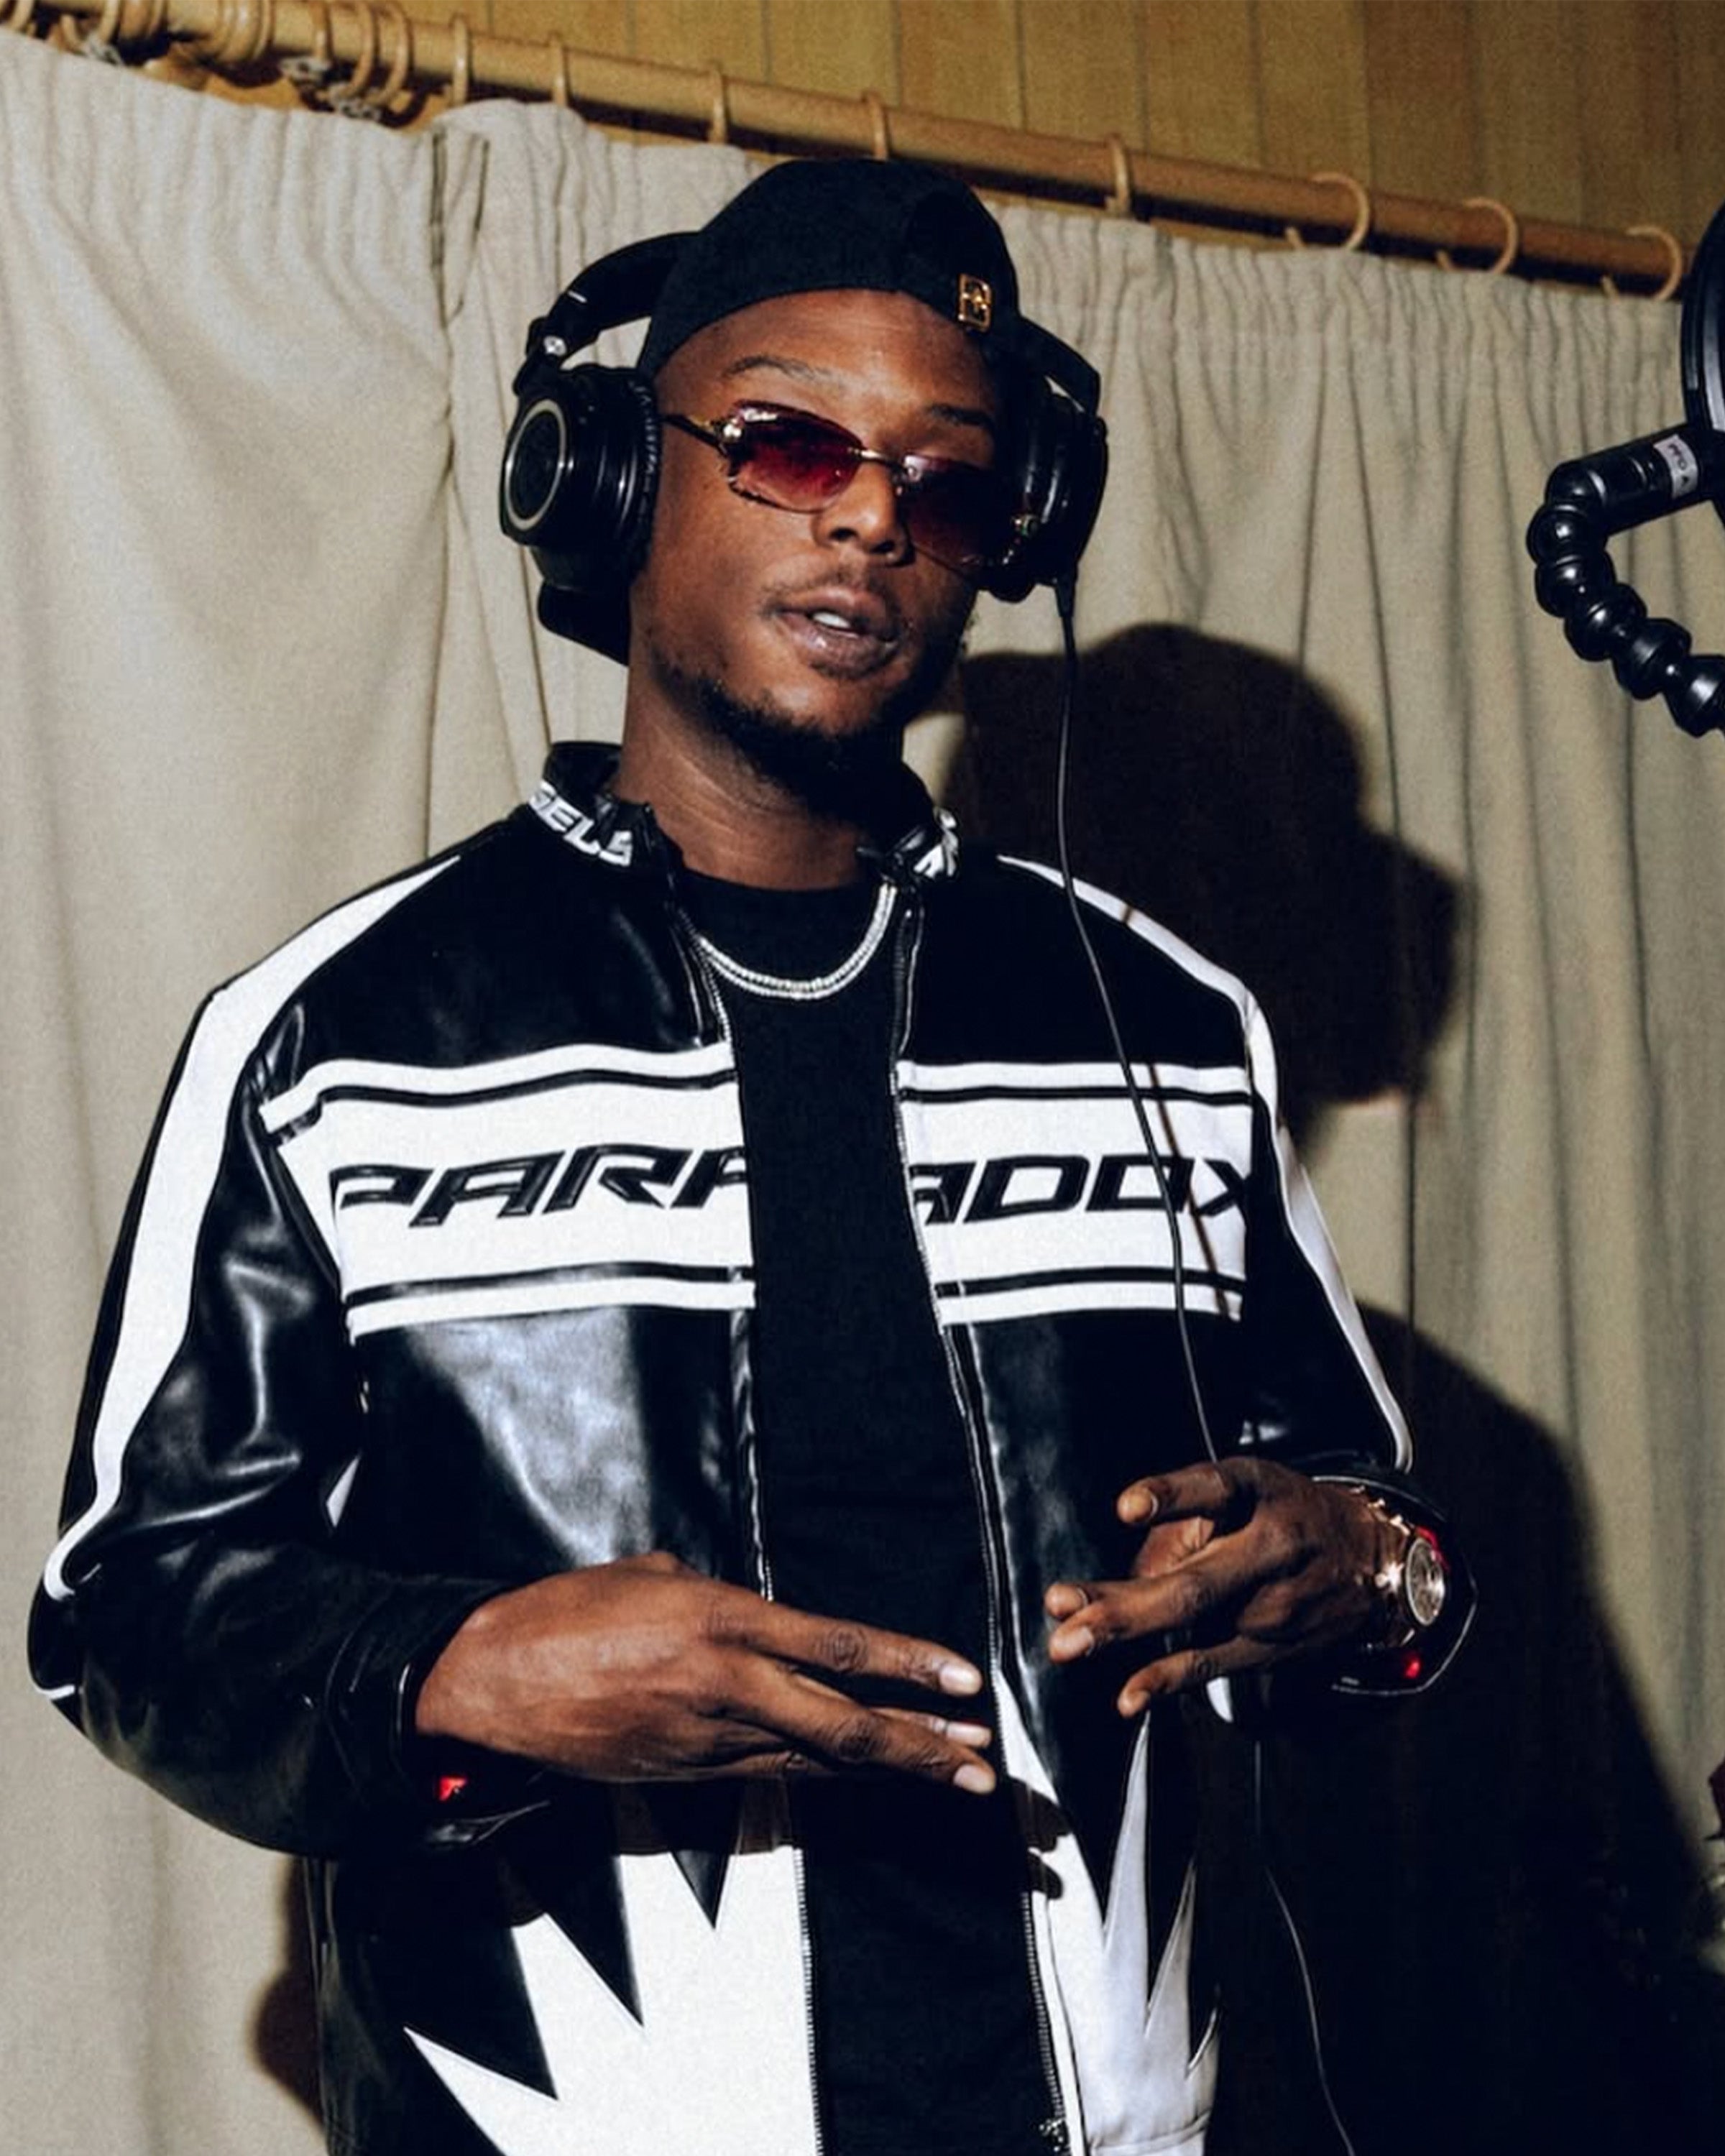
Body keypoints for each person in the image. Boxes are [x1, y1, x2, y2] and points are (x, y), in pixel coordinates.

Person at [30, 158, 1468, 2156]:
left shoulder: (1168, 1024)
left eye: (946, 482)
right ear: (616, 480)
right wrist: (458, 1670)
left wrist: (1362, 1565)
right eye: (791, 444)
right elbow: (129, 1609)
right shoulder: (335, 1035)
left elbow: (1384, 1543)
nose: (871, 516)